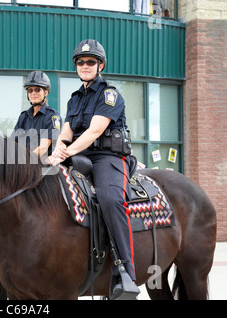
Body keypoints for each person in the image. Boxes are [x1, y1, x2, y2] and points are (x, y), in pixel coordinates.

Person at [47, 39, 139, 299]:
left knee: (110, 199)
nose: (85, 66)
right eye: (80, 62)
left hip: (107, 157)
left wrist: (67, 151)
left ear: (100, 65)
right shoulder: (74, 99)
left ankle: (126, 272)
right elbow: (66, 132)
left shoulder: (109, 94)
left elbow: (95, 130)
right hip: (80, 154)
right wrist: (56, 152)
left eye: (90, 62)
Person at [12, 71, 61, 156]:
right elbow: (12, 144)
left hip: (43, 164)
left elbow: (43, 148)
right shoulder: (23, 117)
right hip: (22, 164)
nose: (33, 93)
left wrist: (23, 161)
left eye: (37, 90)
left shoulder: (52, 116)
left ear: (46, 92)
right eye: (30, 90)